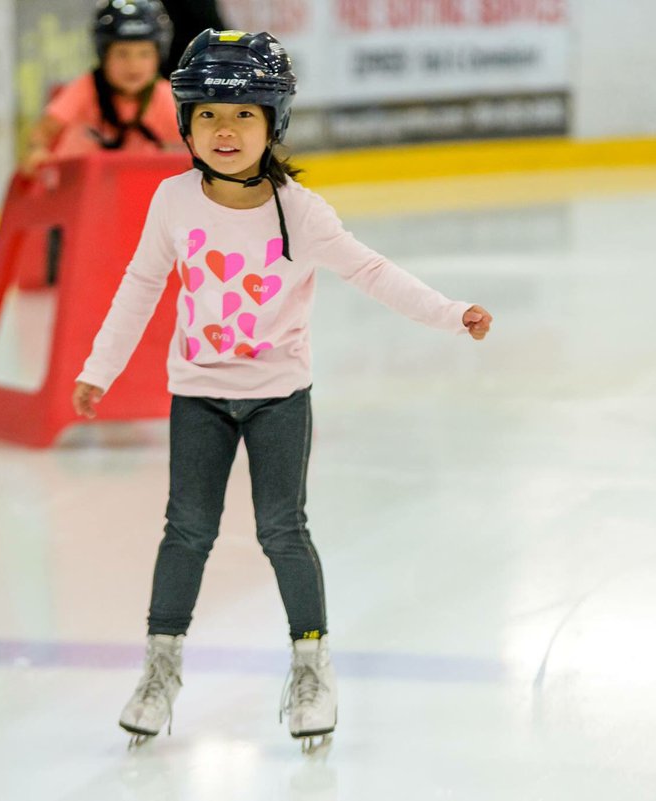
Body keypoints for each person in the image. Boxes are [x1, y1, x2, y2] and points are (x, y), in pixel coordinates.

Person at [71, 29, 494, 752]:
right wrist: (98, 367)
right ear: (185, 123)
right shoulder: (172, 202)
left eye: (242, 114)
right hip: (198, 393)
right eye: (207, 114)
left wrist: (452, 315)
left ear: (274, 122)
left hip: (277, 396)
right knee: (187, 531)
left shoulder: (300, 211)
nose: (225, 130)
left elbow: (372, 272)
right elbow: (139, 287)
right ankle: (161, 667)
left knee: (281, 529)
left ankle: (310, 666)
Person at [20, 0, 180, 175]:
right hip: (82, 190)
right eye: (122, 54)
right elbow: (44, 130)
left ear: (159, 56)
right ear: (104, 55)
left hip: (140, 194)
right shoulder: (87, 87)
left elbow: (194, 142)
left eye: (145, 54)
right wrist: (36, 150)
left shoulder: (165, 96)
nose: (133, 65)